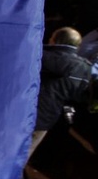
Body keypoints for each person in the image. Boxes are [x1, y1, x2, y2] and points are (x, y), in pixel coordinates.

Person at [31, 27, 91, 156]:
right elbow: (80, 96)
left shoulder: (36, 54)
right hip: (44, 120)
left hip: (17, 113)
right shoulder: (83, 68)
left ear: (55, 40)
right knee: (21, 157)